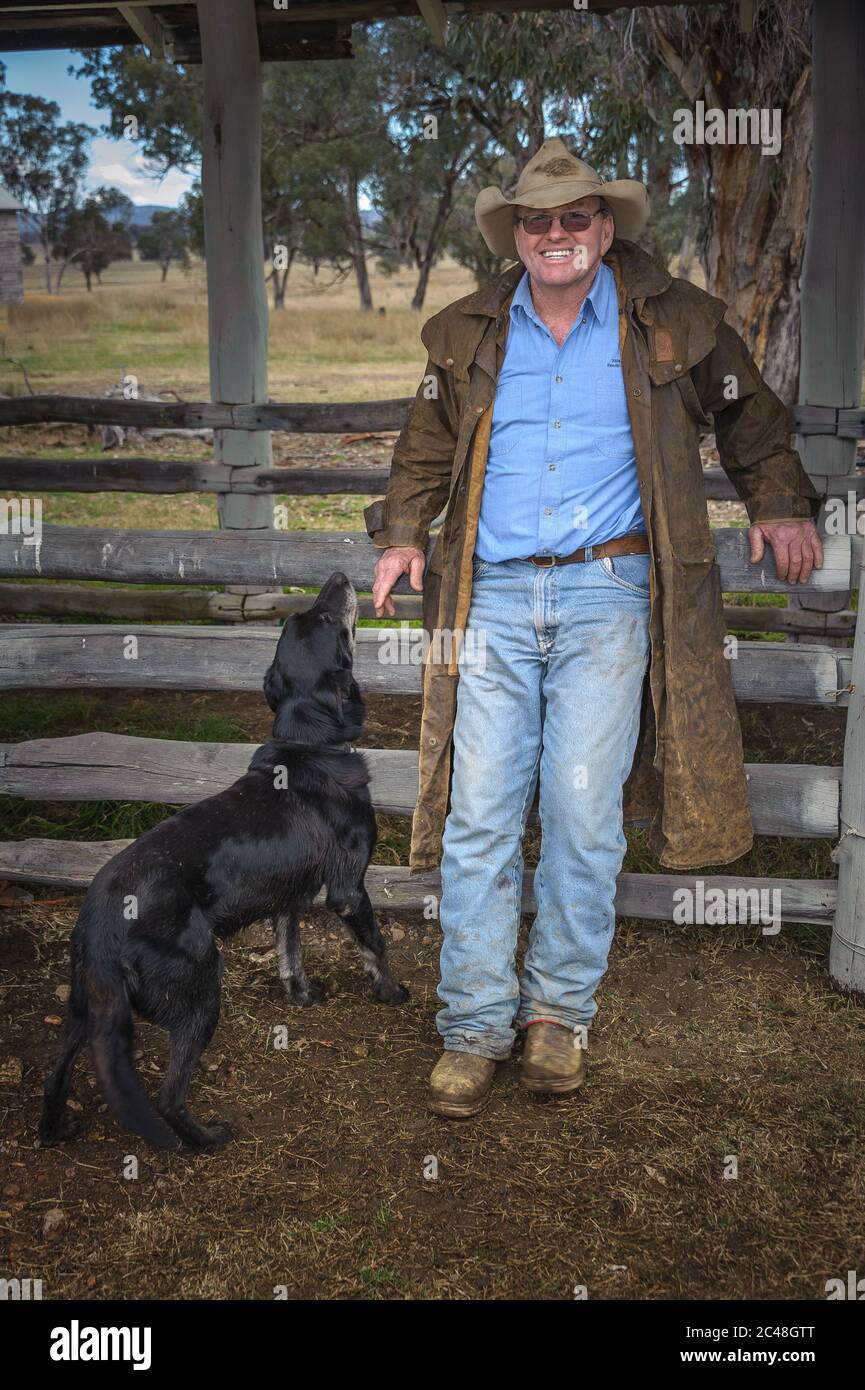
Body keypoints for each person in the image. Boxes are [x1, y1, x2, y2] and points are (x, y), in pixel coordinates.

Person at [365, 138, 823, 1118]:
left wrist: (779, 503)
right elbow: (425, 444)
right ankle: (474, 1025)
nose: (557, 234)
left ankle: (556, 1014)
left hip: (608, 594)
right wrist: (404, 534)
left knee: (580, 810)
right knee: (482, 810)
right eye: (538, 220)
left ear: (604, 228)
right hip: (485, 596)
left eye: (576, 217)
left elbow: (748, 416)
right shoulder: (470, 334)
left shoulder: (674, 322)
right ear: (516, 234)